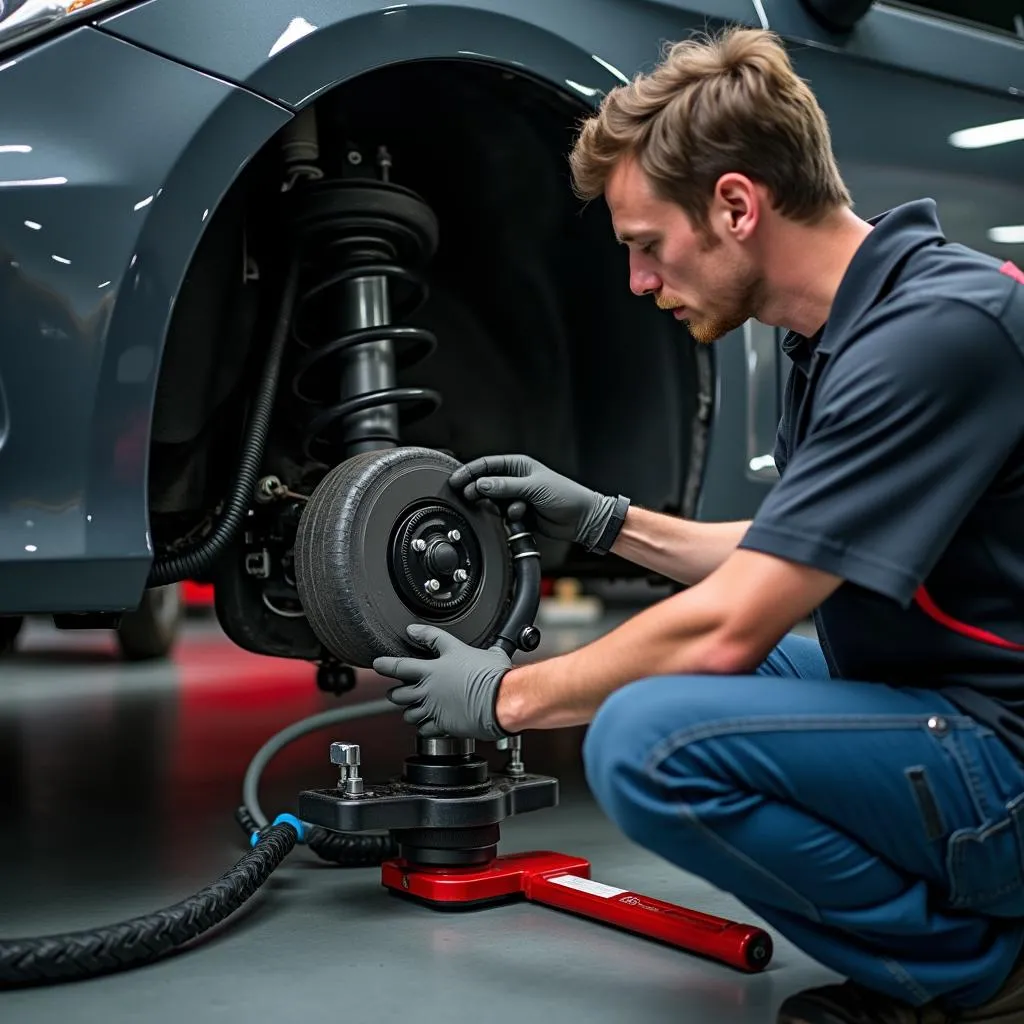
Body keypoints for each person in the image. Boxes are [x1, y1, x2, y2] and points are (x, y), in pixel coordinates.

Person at [372, 24, 1024, 1024]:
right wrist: (607, 520)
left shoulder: (937, 335)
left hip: (1004, 757)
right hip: (953, 703)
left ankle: (976, 977)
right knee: (677, 672)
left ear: (733, 205)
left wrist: (504, 697)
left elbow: (734, 620)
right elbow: (789, 547)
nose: (637, 282)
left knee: (645, 739)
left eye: (645, 246)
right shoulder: (850, 328)